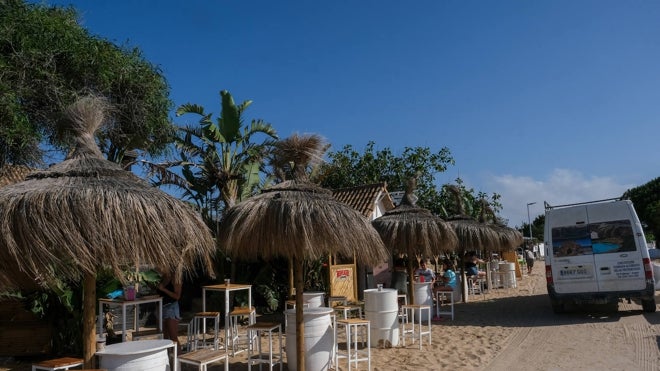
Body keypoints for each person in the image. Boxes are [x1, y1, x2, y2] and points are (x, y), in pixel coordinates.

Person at [156, 270, 182, 350]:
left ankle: (178, 361)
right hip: (160, 308)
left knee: (173, 337)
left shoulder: (175, 278)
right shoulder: (162, 277)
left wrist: (163, 289)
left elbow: (177, 296)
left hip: (171, 308)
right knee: (163, 338)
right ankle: (166, 360)